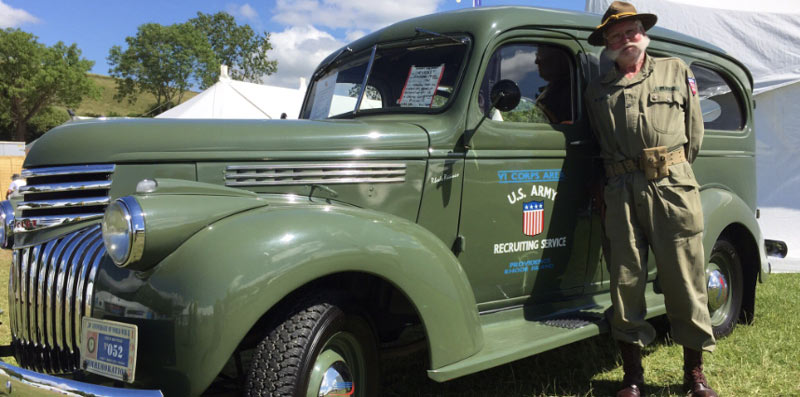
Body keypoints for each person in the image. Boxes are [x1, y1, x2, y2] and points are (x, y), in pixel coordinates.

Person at [584, 2, 717, 397]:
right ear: (607, 43)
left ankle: (694, 374)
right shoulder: (598, 90)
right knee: (625, 282)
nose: (626, 39)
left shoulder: (676, 71)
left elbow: (694, 134)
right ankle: (632, 376)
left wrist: (667, 169)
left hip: (672, 187)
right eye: (616, 34)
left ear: (643, 33)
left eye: (632, 31)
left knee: (685, 279)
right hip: (621, 190)